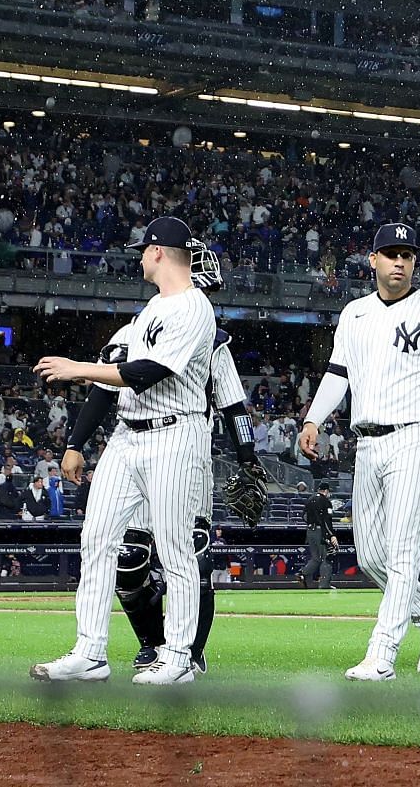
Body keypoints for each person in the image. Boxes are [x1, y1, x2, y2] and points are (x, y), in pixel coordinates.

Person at [32, 215, 218, 685]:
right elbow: (120, 378)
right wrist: (78, 441)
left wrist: (79, 368)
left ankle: (177, 657)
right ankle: (90, 652)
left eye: (143, 250)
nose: (139, 257)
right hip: (127, 434)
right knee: (96, 540)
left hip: (176, 434)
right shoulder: (151, 309)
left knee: (175, 550)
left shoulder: (195, 307)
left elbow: (146, 373)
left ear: (158, 252)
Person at [299, 221, 420, 681]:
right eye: (391, 254)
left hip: (416, 437)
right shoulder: (354, 313)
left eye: (407, 255)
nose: (400, 261)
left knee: (402, 552)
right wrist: (313, 419)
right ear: (373, 260)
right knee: (371, 556)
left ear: (414, 263)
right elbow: (338, 373)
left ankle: (381, 654)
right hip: (368, 444)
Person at [116, 238, 259, 676]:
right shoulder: (138, 326)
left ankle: (191, 651)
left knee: (192, 554)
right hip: (139, 448)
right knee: (128, 560)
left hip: (187, 451)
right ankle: (153, 644)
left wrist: (248, 458)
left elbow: (234, 406)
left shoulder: (213, 338)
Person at [300, 484, 337, 589]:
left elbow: (304, 516)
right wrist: (331, 535)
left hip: (310, 531)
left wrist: (312, 524)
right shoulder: (325, 501)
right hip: (320, 531)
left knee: (316, 558)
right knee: (327, 557)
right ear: (325, 491)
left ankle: (302, 574)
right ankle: (324, 585)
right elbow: (327, 520)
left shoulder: (310, 499)